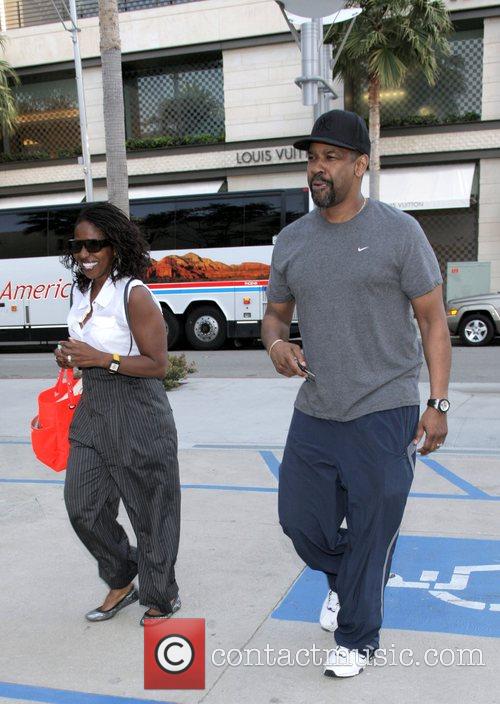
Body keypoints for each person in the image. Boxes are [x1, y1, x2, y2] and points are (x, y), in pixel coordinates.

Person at [262, 110, 451, 678]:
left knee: (373, 528)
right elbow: (274, 317)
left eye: (331, 158)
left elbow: (433, 321)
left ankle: (358, 637)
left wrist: (437, 404)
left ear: (360, 164)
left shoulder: (399, 232)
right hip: (318, 408)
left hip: (385, 408)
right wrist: (275, 346)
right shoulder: (292, 241)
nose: (317, 169)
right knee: (300, 521)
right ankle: (349, 581)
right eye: (312, 158)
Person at [56, 202, 181, 626]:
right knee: (82, 505)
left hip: (136, 405)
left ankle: (162, 594)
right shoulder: (80, 291)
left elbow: (158, 364)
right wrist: (68, 356)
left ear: (116, 246)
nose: (85, 253)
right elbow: (82, 348)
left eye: (95, 244)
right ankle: (123, 575)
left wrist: (101, 358)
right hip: (92, 407)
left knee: (150, 509)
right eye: (78, 245)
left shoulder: (134, 293)